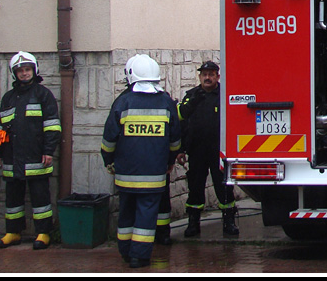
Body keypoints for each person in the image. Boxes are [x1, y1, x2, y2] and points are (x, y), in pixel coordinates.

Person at [101, 54, 180, 268]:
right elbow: (175, 139)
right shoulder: (166, 102)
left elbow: (109, 138)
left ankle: (126, 252)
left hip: (126, 173)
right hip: (155, 174)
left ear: (131, 75)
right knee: (147, 215)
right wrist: (171, 160)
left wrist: (108, 160)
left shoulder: (123, 102)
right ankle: (140, 256)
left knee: (126, 212)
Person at [0, 51, 61, 250]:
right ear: (15, 74)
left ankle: (43, 233)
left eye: (27, 69)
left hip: (36, 157)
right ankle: (12, 232)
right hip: (11, 158)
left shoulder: (43, 94)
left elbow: (52, 126)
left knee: (41, 198)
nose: (24, 73)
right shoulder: (8, 98)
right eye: (20, 71)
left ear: (34, 70)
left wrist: (49, 151)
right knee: (12, 198)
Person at [177, 61, 239, 238]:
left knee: (224, 187)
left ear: (218, 77)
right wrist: (181, 149)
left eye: (211, 74)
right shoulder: (191, 97)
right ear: (199, 77)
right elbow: (182, 124)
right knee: (195, 187)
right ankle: (193, 223)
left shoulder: (225, 96)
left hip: (219, 151)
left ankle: (229, 222)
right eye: (204, 74)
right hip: (196, 151)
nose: (207, 77)